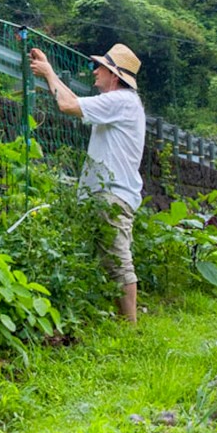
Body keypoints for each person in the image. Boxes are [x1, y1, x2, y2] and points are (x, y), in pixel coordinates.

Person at [29, 43, 146, 324]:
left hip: (112, 196)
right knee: (106, 260)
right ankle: (117, 321)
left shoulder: (122, 101)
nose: (94, 72)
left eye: (100, 68)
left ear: (114, 76)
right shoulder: (119, 103)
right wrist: (50, 72)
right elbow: (73, 101)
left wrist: (48, 73)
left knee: (118, 261)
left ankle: (130, 329)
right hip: (105, 195)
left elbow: (66, 105)